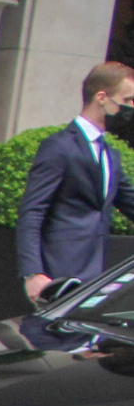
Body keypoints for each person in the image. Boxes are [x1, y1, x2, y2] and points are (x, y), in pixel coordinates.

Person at [17, 60, 134, 302]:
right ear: (102, 97)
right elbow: (32, 211)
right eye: (127, 101)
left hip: (95, 277)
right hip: (58, 277)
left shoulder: (110, 154)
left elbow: (130, 201)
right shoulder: (59, 147)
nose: (131, 108)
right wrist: (32, 272)